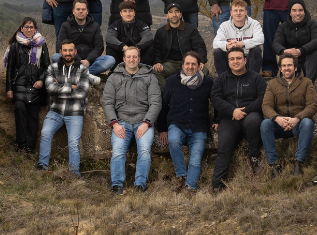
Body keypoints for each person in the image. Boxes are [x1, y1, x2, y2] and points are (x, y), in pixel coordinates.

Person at [35, 40, 100, 176]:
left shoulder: (83, 70)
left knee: (73, 142)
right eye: (65, 50)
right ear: (60, 52)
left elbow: (82, 93)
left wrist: (60, 86)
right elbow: (50, 89)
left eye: (70, 50)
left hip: (75, 112)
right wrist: (71, 86)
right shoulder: (52, 68)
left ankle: (74, 172)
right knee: (46, 133)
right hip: (55, 111)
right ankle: (42, 166)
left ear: (75, 52)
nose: (68, 53)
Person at [103, 46, 161, 194]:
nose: (131, 59)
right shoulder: (114, 77)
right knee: (117, 151)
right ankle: (117, 185)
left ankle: (139, 185)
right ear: (124, 59)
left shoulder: (150, 77)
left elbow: (155, 102)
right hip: (121, 122)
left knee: (145, 151)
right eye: (128, 57)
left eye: (134, 57)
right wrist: (114, 123)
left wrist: (146, 123)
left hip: (143, 122)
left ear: (139, 59)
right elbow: (107, 102)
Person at [210, 48, 268, 191]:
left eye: (238, 58)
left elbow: (263, 98)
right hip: (228, 119)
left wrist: (244, 111)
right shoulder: (221, 79)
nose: (235, 61)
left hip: (251, 115)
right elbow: (216, 99)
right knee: (224, 147)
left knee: (255, 121)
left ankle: (254, 157)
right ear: (228, 61)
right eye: (232, 59)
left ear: (245, 60)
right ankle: (217, 184)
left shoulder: (256, 78)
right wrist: (232, 111)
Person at [156, 52, 213, 192]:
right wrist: (162, 129)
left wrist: (217, 120)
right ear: (182, 65)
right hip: (177, 124)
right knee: (174, 141)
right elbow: (162, 105)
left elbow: (218, 102)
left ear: (200, 66)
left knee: (195, 158)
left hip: (199, 127)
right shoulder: (171, 81)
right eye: (187, 63)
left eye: (194, 64)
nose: (190, 66)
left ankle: (190, 187)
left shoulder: (208, 82)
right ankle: (182, 176)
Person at [260, 55, 317, 178]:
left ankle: (298, 163)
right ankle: (274, 165)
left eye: (289, 65)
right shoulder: (272, 84)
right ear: (280, 69)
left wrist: (297, 118)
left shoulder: (306, 83)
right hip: (279, 125)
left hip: (298, 125)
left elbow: (312, 105)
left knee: (308, 123)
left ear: (295, 67)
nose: (287, 68)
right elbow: (266, 106)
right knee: (265, 124)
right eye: (284, 66)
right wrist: (277, 118)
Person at [3, 17, 50, 153]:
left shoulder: (42, 44)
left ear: (35, 29)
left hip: (37, 87)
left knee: (33, 116)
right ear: (21, 28)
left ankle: (30, 146)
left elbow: (47, 66)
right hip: (20, 86)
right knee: (19, 110)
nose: (29, 29)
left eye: (31, 27)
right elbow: (10, 68)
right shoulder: (15, 46)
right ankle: (20, 143)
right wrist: (9, 88)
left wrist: (41, 80)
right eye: (26, 27)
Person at [56, 0, 116, 75]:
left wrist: (88, 60)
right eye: (78, 9)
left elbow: (99, 47)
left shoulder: (95, 26)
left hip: (90, 61)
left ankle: (82, 73)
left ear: (87, 11)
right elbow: (61, 45)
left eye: (83, 9)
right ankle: (85, 74)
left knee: (110, 60)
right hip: (71, 60)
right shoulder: (65, 26)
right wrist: (78, 60)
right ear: (73, 11)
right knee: (56, 57)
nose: (80, 11)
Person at [151, 3, 208, 84]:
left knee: (204, 70)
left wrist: (201, 61)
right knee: (154, 71)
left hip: (187, 62)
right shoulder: (161, 32)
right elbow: (156, 50)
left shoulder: (191, 29)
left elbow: (200, 46)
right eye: (171, 12)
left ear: (180, 14)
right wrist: (157, 62)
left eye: (176, 11)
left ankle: (189, 90)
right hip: (169, 63)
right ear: (167, 15)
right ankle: (169, 91)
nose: (174, 14)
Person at [273, 0, 317, 83]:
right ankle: (286, 85)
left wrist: (301, 51)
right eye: (294, 10)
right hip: (291, 60)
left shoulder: (312, 24)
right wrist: (284, 51)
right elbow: (276, 43)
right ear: (290, 12)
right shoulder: (283, 27)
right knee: (285, 59)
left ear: (304, 11)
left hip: (310, 62)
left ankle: (308, 84)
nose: (298, 13)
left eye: (300, 10)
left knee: (314, 53)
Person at [212, 0, 264, 75]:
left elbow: (260, 39)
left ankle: (252, 80)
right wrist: (227, 45)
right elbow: (215, 43)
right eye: (235, 10)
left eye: (241, 10)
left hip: (248, 57)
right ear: (231, 13)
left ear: (246, 12)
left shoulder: (254, 24)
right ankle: (223, 80)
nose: (238, 13)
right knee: (218, 52)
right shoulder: (224, 25)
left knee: (256, 50)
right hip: (231, 57)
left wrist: (242, 44)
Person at [106, 0, 153, 65]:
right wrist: (123, 47)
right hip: (121, 54)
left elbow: (148, 37)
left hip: (138, 55)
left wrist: (137, 48)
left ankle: (144, 70)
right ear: (121, 13)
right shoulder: (115, 25)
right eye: (125, 11)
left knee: (150, 47)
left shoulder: (141, 25)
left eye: (130, 11)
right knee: (110, 47)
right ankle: (114, 71)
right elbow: (109, 37)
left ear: (134, 13)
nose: (128, 14)